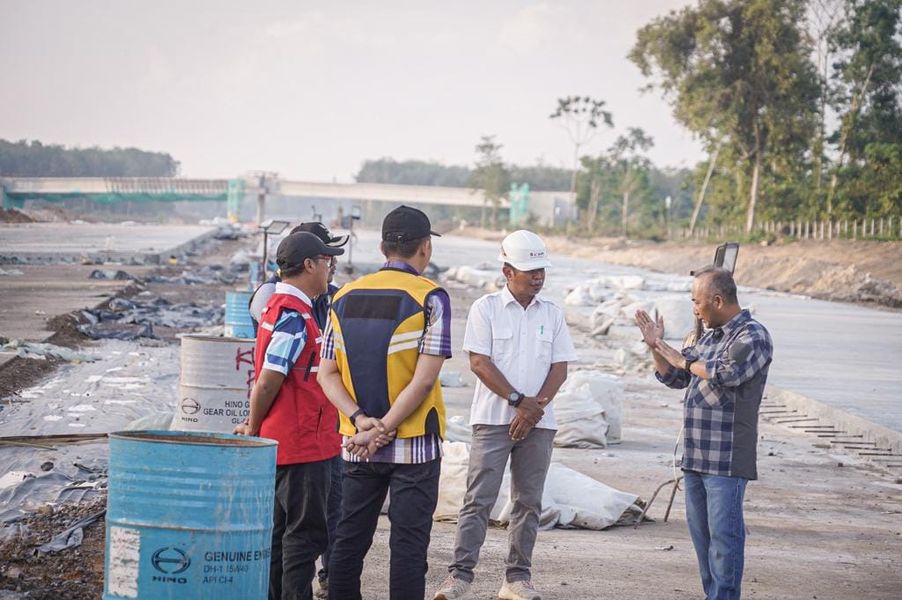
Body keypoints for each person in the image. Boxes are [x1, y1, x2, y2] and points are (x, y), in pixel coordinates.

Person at [317, 205, 451, 600]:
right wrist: (387, 426)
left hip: (358, 445)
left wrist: (363, 423)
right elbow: (424, 380)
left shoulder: (343, 296)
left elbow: (326, 373)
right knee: (408, 548)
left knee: (347, 542)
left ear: (382, 247)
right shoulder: (431, 298)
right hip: (415, 445)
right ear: (425, 248)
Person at [434, 230, 577, 600]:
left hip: (540, 424)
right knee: (478, 499)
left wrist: (534, 410)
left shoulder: (553, 314)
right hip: (493, 420)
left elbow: (559, 368)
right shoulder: (487, 309)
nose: (537, 277)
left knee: (528, 501)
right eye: (530, 270)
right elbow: (479, 363)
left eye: (541, 270)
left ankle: (517, 578)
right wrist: (518, 401)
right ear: (507, 271)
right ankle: (459, 576)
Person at [634, 266, 773, 600]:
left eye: (697, 301)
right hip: (696, 456)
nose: (694, 309)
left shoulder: (752, 337)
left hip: (726, 459)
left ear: (718, 300)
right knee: (703, 541)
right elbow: (677, 377)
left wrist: (681, 360)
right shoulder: (710, 336)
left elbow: (725, 374)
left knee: (725, 540)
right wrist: (655, 346)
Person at [234, 231, 344, 600]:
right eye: (326, 261)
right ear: (309, 265)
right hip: (301, 447)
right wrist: (252, 426)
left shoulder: (276, 306)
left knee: (280, 536)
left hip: (288, 442)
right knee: (303, 537)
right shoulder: (295, 316)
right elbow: (268, 381)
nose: (330, 268)